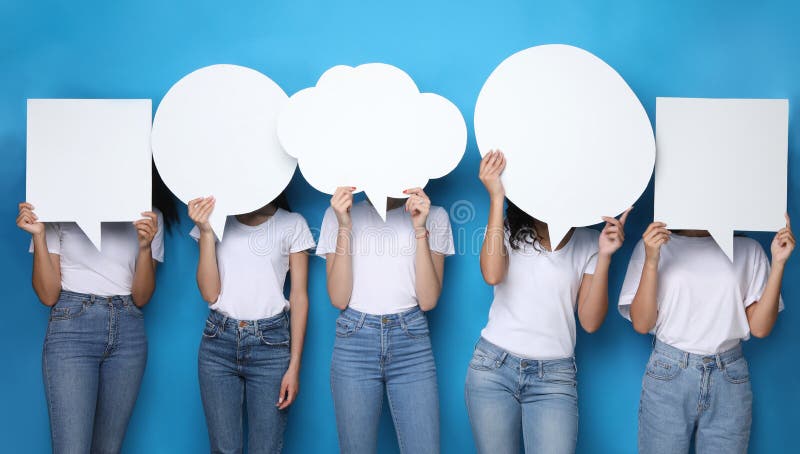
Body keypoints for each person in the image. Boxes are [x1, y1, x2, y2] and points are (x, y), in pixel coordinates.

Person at [464, 150, 629, 454]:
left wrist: (605, 255)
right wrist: (496, 198)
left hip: (554, 377)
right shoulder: (510, 229)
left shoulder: (588, 243)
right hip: (493, 368)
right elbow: (491, 274)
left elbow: (591, 322)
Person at [17, 164, 177, 453]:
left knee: (108, 449)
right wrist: (39, 235)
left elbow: (141, 297)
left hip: (128, 330)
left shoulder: (149, 216)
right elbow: (48, 294)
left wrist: (144, 247)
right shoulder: (59, 208)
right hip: (71, 328)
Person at [619, 216, 794, 453]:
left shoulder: (748, 249)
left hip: (729, 377)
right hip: (669, 373)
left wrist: (779, 263)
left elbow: (760, 328)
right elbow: (642, 323)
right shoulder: (654, 244)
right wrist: (651, 259)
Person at [317, 186, 454, 454]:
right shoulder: (337, 213)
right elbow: (338, 298)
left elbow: (427, 301)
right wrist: (344, 225)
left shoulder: (434, 215)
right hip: (354, 342)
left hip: (411, 343)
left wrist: (419, 229)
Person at [188, 192, 314, 454]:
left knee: (266, 449)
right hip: (218, 344)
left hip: (271, 346)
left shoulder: (292, 223)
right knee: (224, 450)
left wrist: (294, 367)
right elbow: (210, 294)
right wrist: (207, 232)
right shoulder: (215, 220)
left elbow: (299, 296)